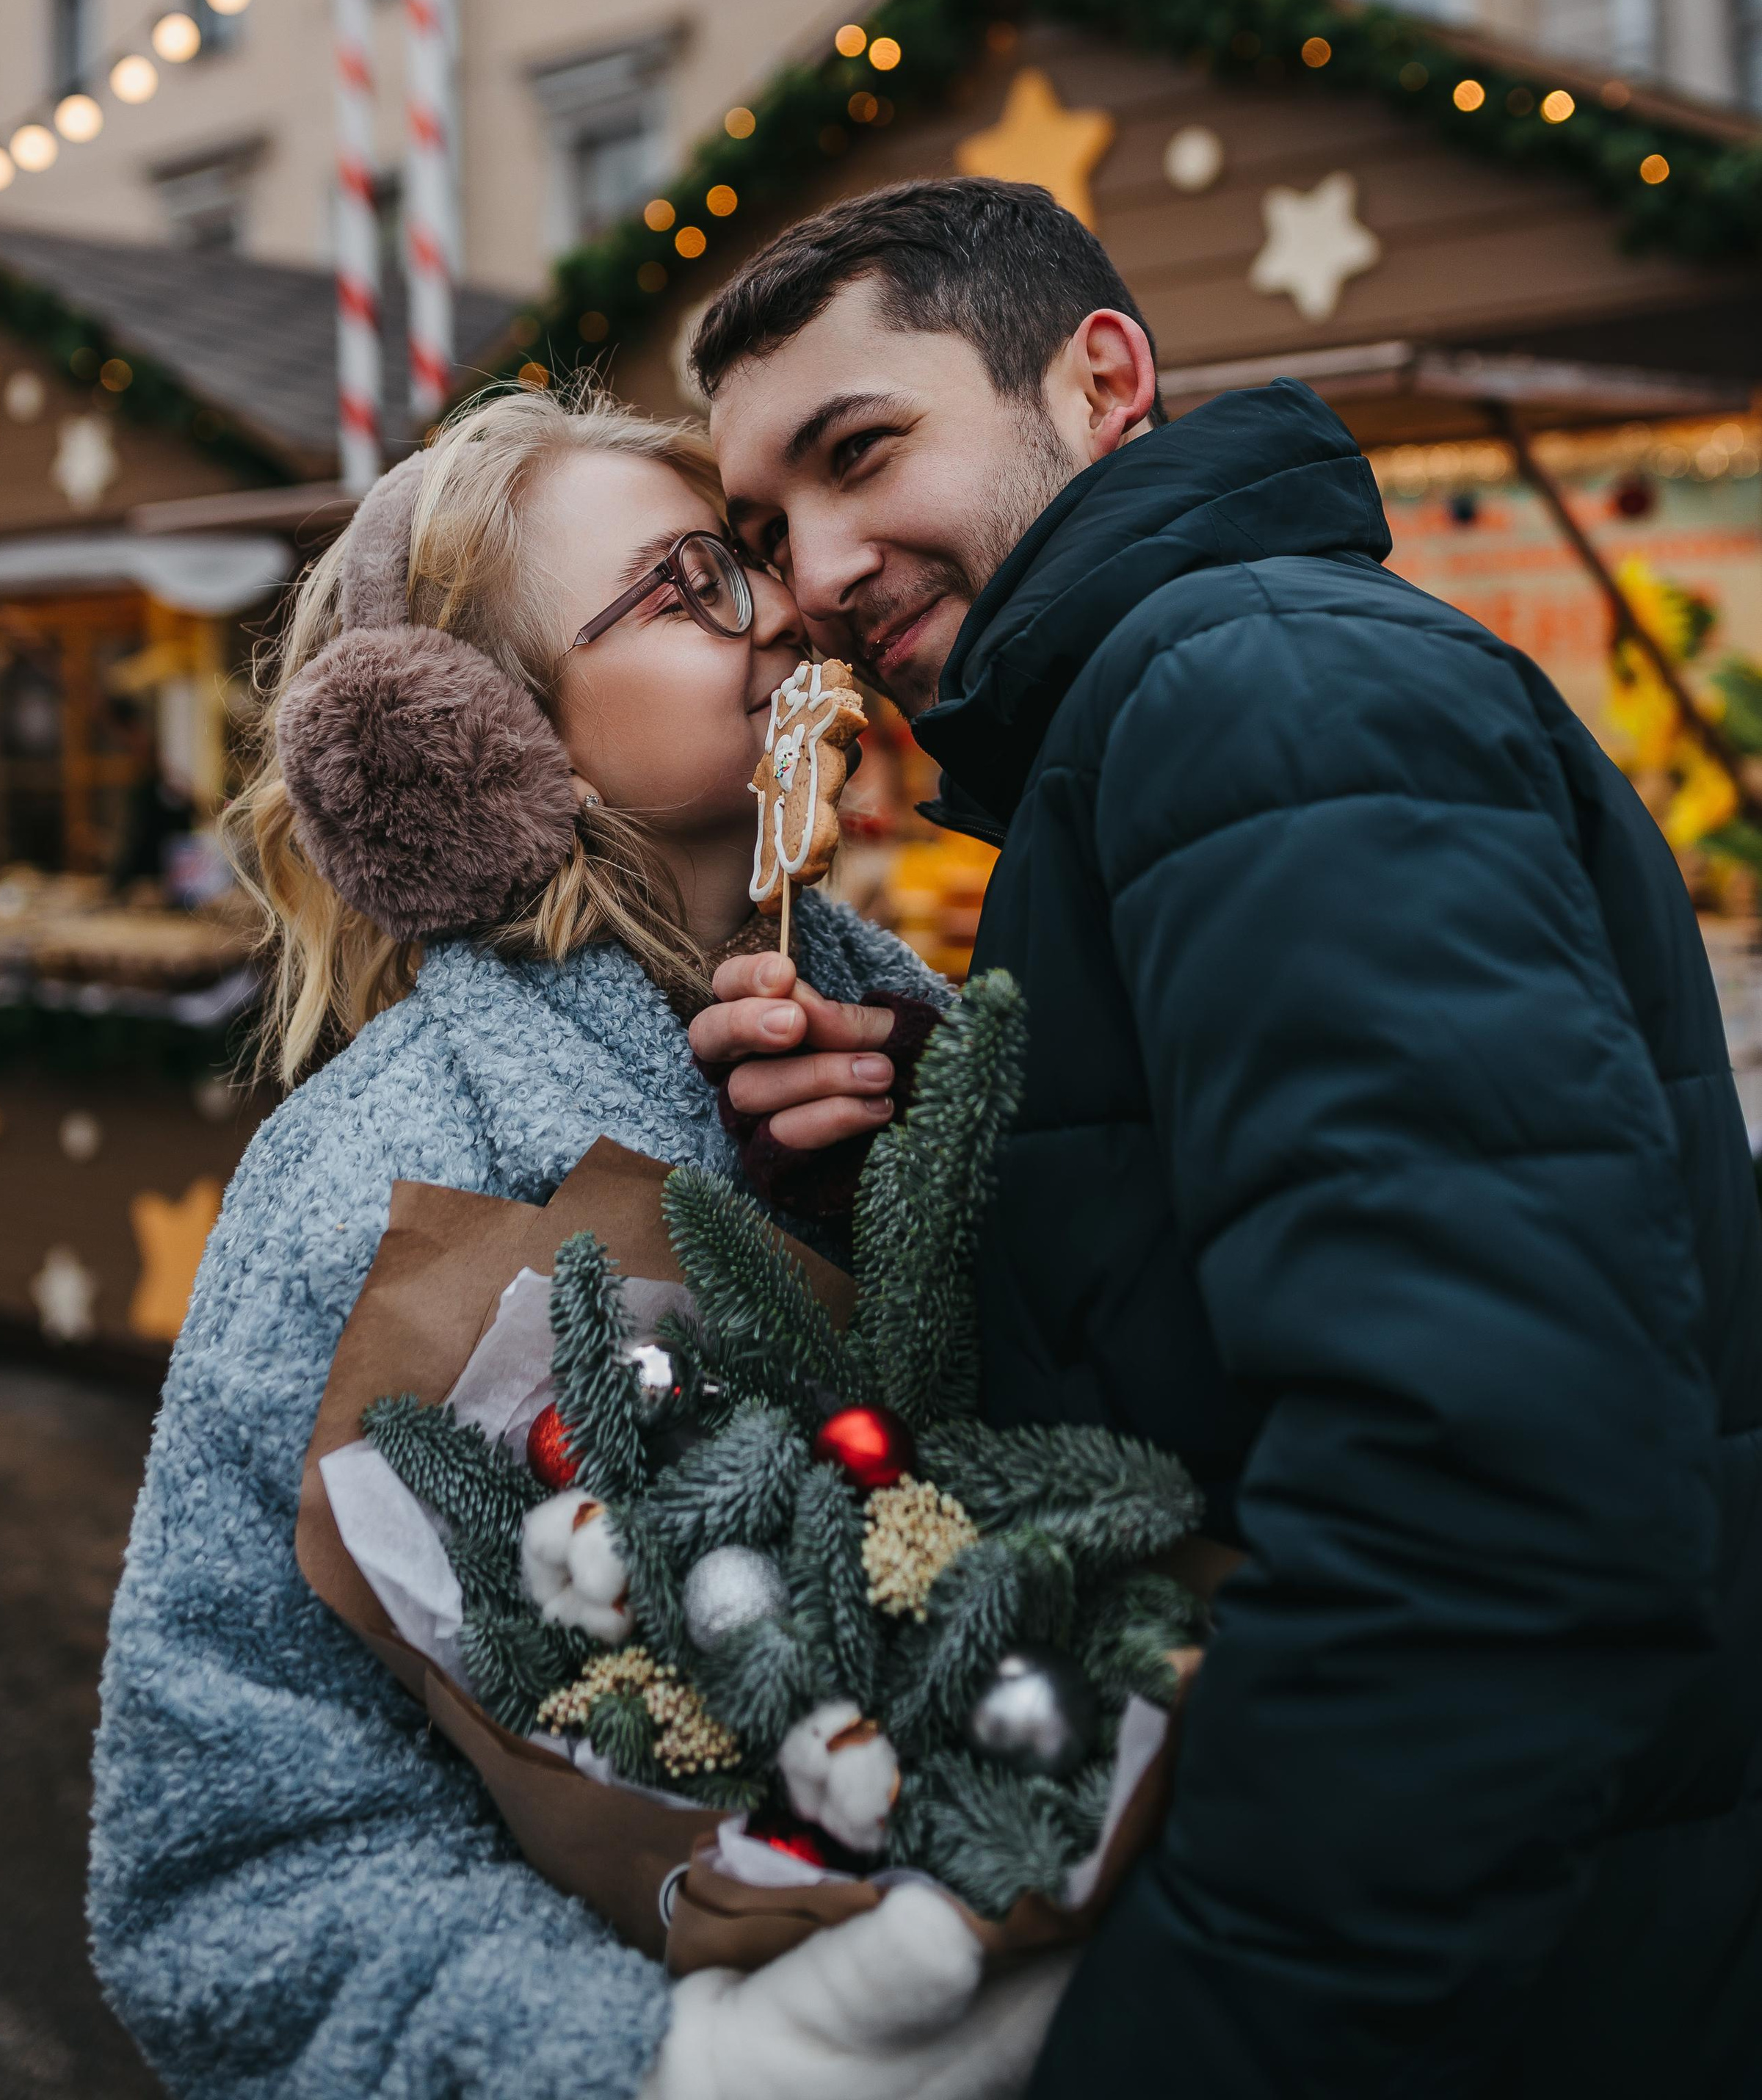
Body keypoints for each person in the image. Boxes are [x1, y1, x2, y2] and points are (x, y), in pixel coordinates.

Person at [690, 175, 1762, 2100]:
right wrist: (933, 1157)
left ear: (1102, 379)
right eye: (763, 530)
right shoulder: (1156, 725)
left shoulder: (1256, 691)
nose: (817, 574)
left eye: (864, 453)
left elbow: (1489, 1505)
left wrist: (1183, 2042)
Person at [88, 385, 1067, 2100]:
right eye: (690, 581)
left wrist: (928, 1191)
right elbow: (228, 1873)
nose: (783, 607)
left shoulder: (931, 1040)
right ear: (473, 744)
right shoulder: (380, 1178)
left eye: (752, 555)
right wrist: (664, 2058)